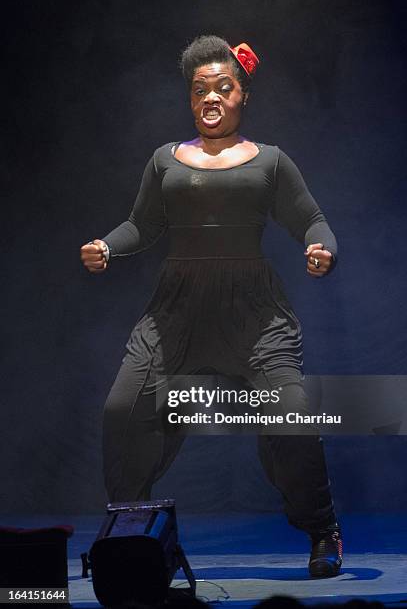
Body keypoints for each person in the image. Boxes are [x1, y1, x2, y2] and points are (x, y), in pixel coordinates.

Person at [80, 35, 343, 578]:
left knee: (292, 419)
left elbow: (311, 220)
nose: (211, 98)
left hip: (253, 315)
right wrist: (107, 245)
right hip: (176, 313)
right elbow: (142, 226)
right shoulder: (164, 161)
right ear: (190, 99)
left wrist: (324, 250)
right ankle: (131, 531)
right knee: (121, 412)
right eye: (200, 90)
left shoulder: (270, 160)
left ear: (242, 94)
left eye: (223, 87)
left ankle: (323, 529)